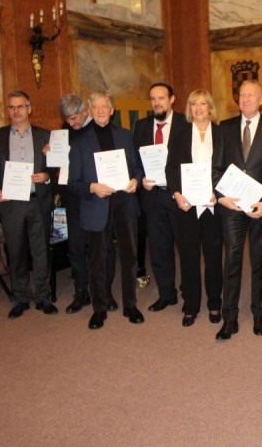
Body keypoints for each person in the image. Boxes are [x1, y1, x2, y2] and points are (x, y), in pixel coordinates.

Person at [68, 91, 145, 329]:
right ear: (90, 111)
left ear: (112, 110)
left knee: (129, 257)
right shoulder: (80, 142)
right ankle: (99, 308)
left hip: (124, 204)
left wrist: (135, 180)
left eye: (105, 107)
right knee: (97, 260)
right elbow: (73, 183)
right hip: (96, 206)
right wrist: (92, 187)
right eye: (96, 107)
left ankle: (130, 305)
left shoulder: (125, 135)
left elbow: (137, 167)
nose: (100, 111)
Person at [214, 79, 262, 340]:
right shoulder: (225, 127)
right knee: (232, 259)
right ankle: (229, 317)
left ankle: (258, 313)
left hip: (260, 207)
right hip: (232, 205)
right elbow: (216, 167)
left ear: (261, 99)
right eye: (242, 94)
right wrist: (221, 197)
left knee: (259, 260)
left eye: (251, 95)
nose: (245, 99)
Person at [0, 90, 56, 318]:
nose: (16, 111)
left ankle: (43, 296)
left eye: (20, 106)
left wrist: (46, 176)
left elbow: (56, 167)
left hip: (38, 202)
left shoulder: (45, 136)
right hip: (12, 203)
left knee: (41, 251)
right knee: (15, 251)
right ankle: (21, 297)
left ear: (29, 108)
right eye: (12, 107)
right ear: (7, 110)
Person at [165, 89, 224, 327]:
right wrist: (177, 195)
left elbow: (227, 167)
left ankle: (214, 303)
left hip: (213, 206)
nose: (198, 108)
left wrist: (218, 193)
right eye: (193, 104)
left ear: (210, 107)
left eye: (203, 103)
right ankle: (190, 305)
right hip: (187, 206)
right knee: (188, 257)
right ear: (189, 108)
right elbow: (171, 168)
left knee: (213, 257)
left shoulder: (221, 133)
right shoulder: (179, 134)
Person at [55, 94, 117, 314]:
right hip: (74, 196)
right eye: (67, 119)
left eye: (74, 118)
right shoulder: (64, 131)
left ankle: (105, 291)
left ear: (85, 112)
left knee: (104, 247)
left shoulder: (99, 129)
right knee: (76, 247)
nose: (70, 123)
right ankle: (81, 291)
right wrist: (50, 154)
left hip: (97, 198)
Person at [134, 82, 187, 312]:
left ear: (172, 99)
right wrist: (140, 179)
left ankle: (189, 293)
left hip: (179, 196)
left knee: (186, 248)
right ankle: (167, 294)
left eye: (161, 98)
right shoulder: (141, 126)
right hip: (153, 197)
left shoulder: (186, 123)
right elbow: (135, 161)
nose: (157, 103)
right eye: (153, 99)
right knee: (159, 249)